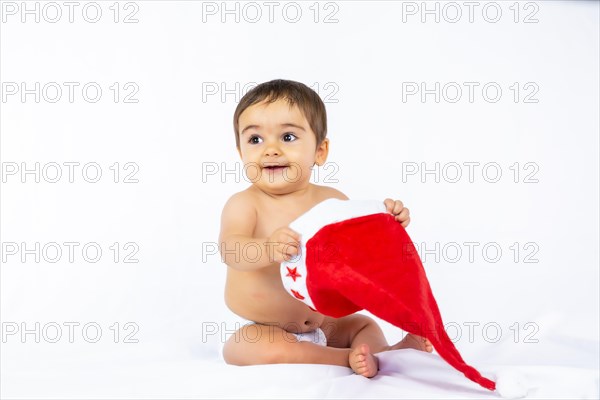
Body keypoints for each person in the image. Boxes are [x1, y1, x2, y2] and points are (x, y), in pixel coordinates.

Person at [219, 79, 432, 378]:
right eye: (255, 140)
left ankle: (385, 351)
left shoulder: (332, 201)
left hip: (326, 325)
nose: (270, 150)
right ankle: (345, 359)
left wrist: (386, 223)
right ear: (241, 153)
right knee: (240, 347)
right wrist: (267, 248)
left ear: (320, 151)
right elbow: (231, 250)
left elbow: (360, 252)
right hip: (269, 329)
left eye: (288, 136)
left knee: (363, 325)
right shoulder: (244, 204)